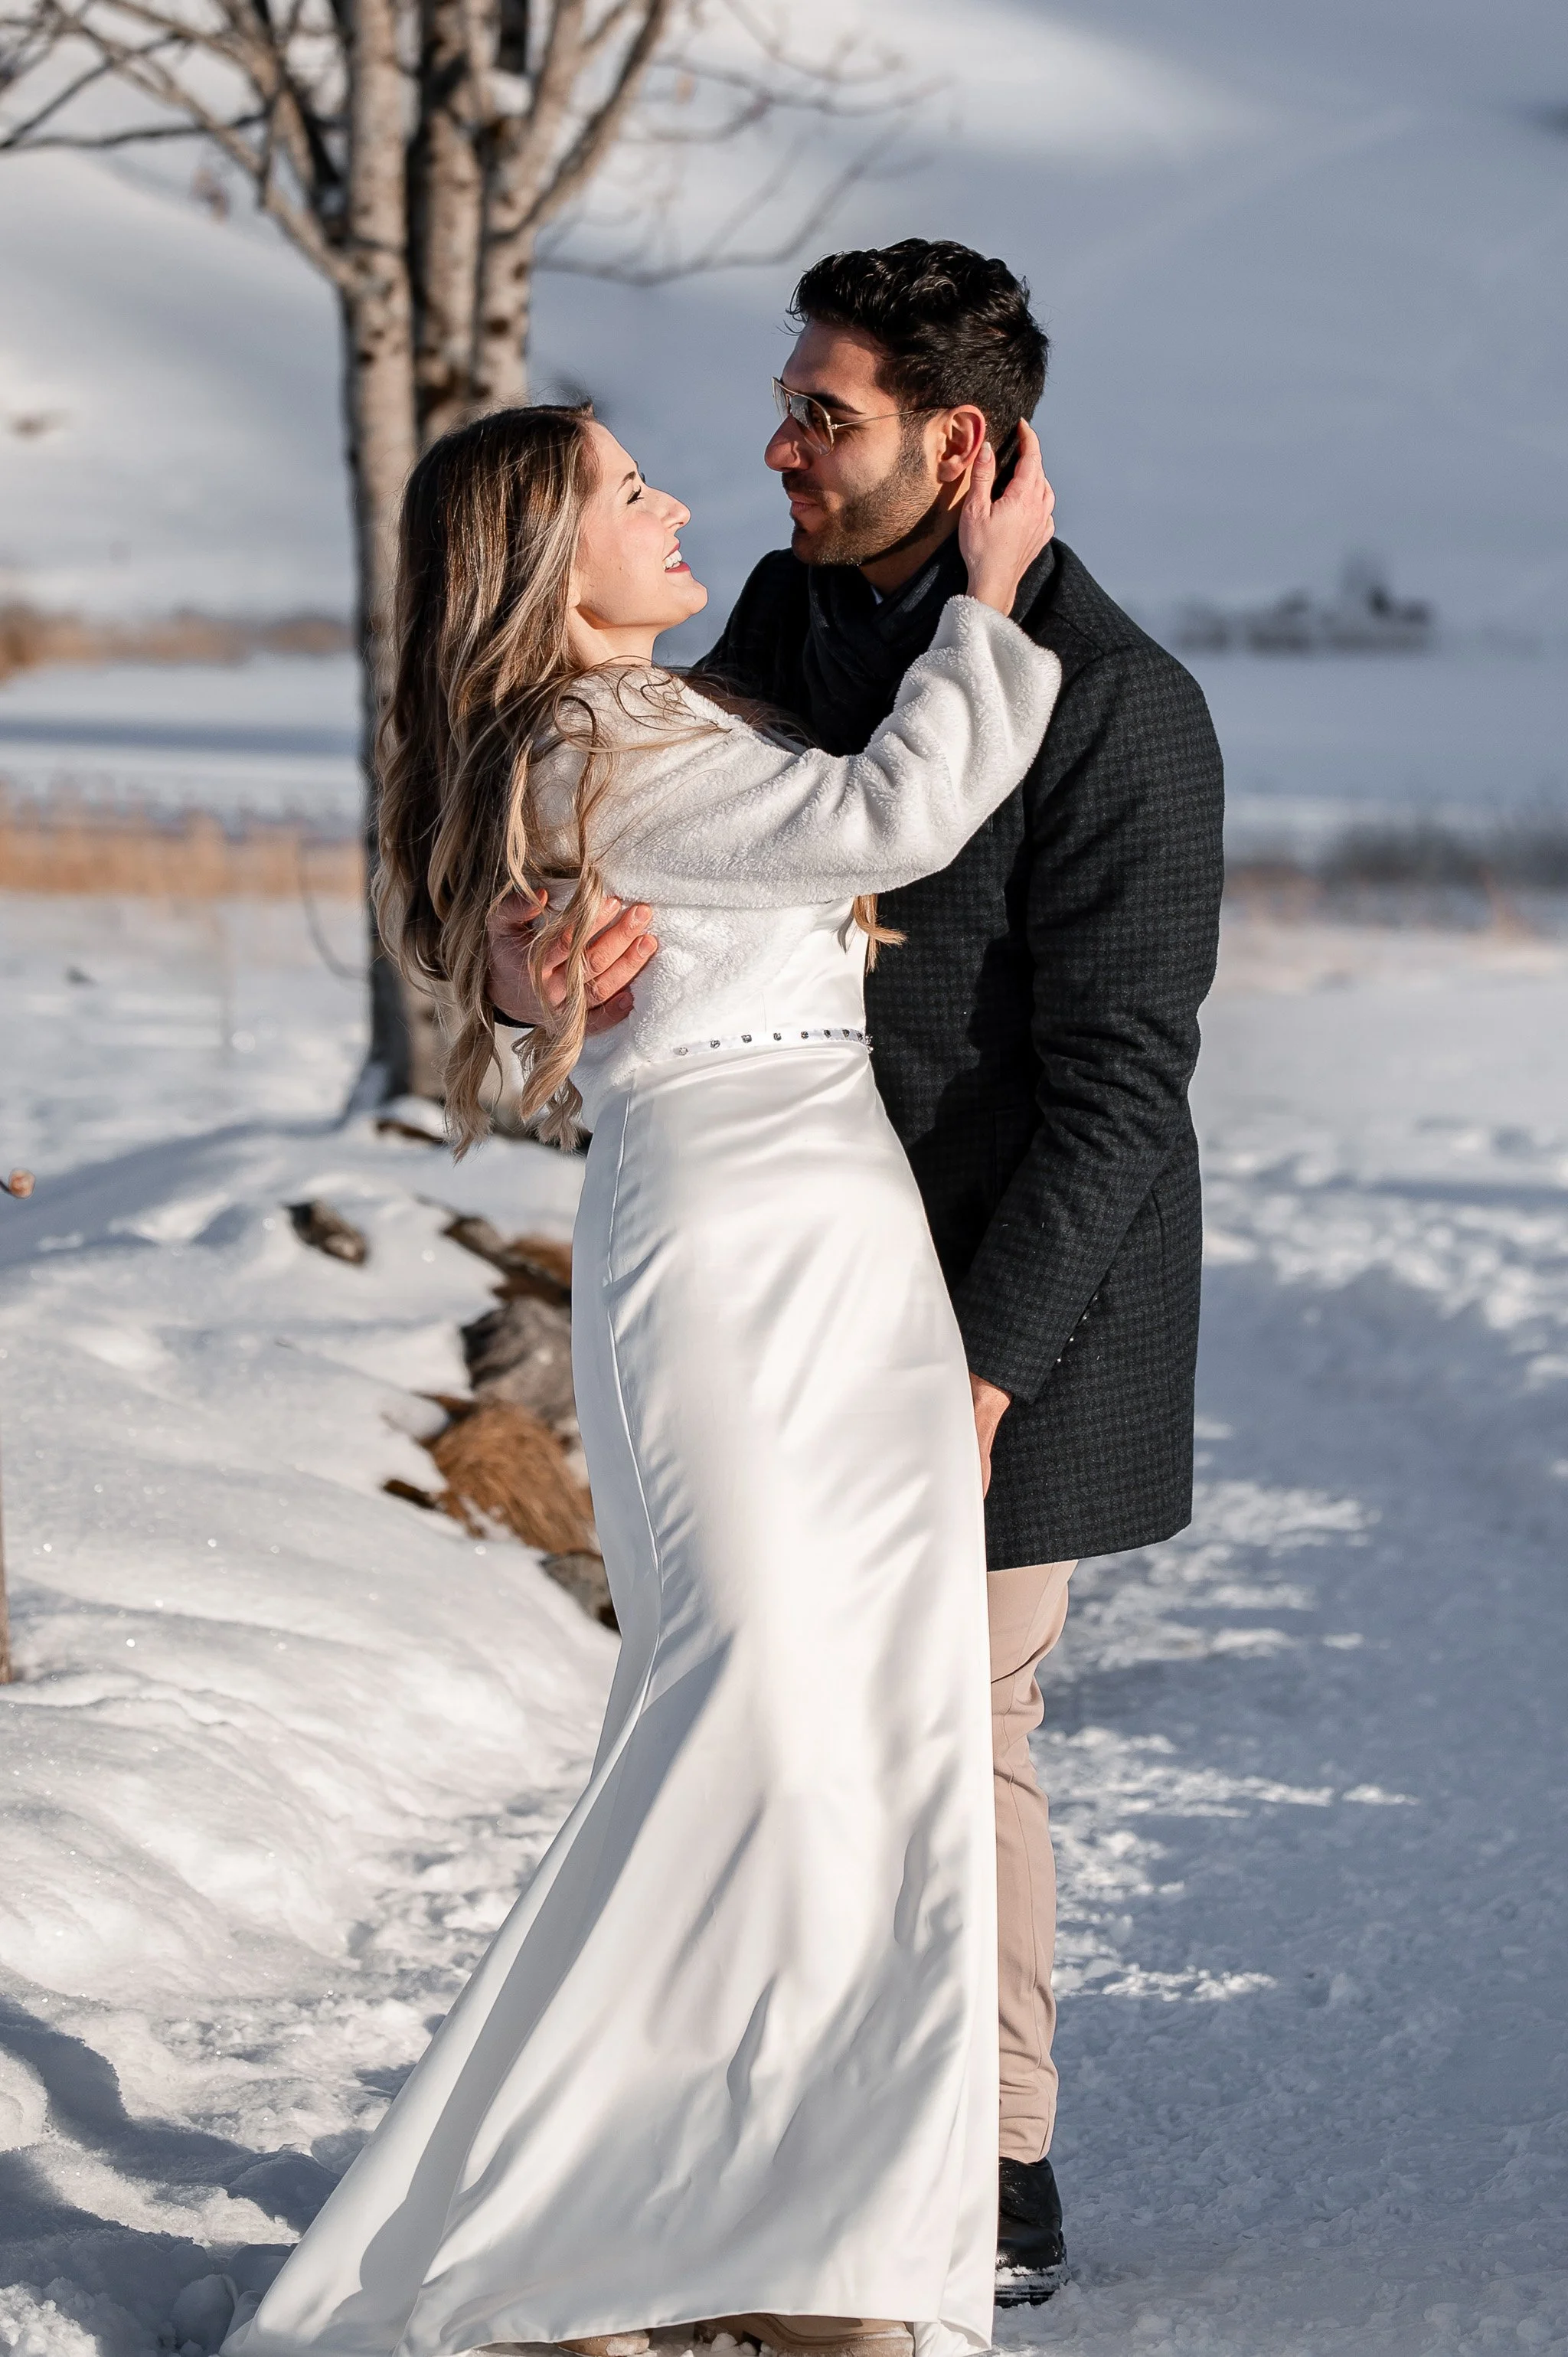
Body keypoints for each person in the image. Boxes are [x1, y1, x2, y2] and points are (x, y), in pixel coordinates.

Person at [224, 403, 1059, 2357]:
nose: (674, 498)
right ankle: (564, 2233)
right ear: (536, 557)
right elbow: (885, 825)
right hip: (730, 1251)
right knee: (748, 1705)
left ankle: (820, 2239)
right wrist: (996, 592)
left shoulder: (679, 713)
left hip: (850, 1242)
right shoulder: (581, 740)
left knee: (874, 1736)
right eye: (625, 490)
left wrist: (525, 968)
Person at [488, 240, 1227, 2303]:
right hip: (773, 1286)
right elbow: (597, 826)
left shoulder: (1129, 711)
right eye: (787, 402)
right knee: (776, 1710)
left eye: (827, 414)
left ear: (960, 441)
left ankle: (991, 2156)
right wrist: (517, 958)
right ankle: (757, 2129)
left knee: (951, 1716)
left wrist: (979, 1374)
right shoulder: (786, 623)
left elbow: (1114, 1101)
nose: (776, 447)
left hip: (1007, 1298)